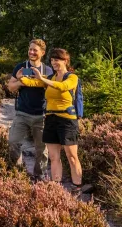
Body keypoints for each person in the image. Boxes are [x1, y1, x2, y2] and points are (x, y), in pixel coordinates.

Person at [30, 48, 91, 194]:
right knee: (53, 157)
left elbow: (63, 87)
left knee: (71, 156)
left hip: (67, 121)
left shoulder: (72, 77)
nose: (53, 62)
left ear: (65, 60)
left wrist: (42, 79)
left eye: (57, 59)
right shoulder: (50, 78)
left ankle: (77, 186)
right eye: (51, 60)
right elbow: (35, 83)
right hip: (51, 119)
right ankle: (56, 187)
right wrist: (20, 77)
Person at [6, 39, 53, 180]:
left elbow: (53, 89)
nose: (31, 52)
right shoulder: (21, 67)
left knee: (42, 150)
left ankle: (39, 176)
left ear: (42, 53)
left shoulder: (48, 70)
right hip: (22, 113)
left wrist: (41, 81)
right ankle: (17, 170)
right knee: (13, 142)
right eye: (30, 49)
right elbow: (10, 87)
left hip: (42, 115)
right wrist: (22, 80)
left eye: (35, 50)